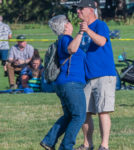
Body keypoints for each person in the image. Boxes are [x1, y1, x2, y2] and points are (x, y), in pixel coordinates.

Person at [69, 0, 116, 150]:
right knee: (85, 113)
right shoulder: (82, 30)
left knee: (103, 111)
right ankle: (87, 144)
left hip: (103, 74)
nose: (78, 12)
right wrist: (80, 32)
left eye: (80, 9)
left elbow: (102, 41)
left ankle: (104, 145)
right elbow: (75, 51)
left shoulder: (100, 25)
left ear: (90, 9)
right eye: (77, 9)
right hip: (87, 77)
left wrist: (87, 30)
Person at [40, 15, 87, 150]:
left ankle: (49, 141)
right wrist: (81, 32)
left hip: (65, 84)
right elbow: (72, 49)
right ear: (66, 26)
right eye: (69, 22)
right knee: (79, 116)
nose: (72, 24)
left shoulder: (64, 39)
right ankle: (66, 147)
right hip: (71, 83)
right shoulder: (66, 39)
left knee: (69, 116)